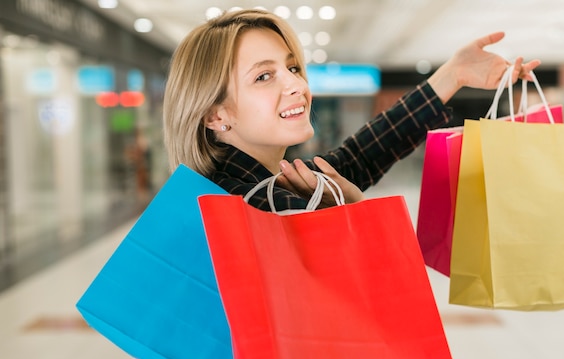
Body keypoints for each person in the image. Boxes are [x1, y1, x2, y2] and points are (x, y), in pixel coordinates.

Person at [163, 8, 540, 212]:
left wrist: (451, 76)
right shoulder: (264, 205)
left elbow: (356, 158)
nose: (297, 84)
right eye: (264, 77)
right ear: (215, 115)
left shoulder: (227, 187)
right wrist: (353, 212)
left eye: (293, 68)